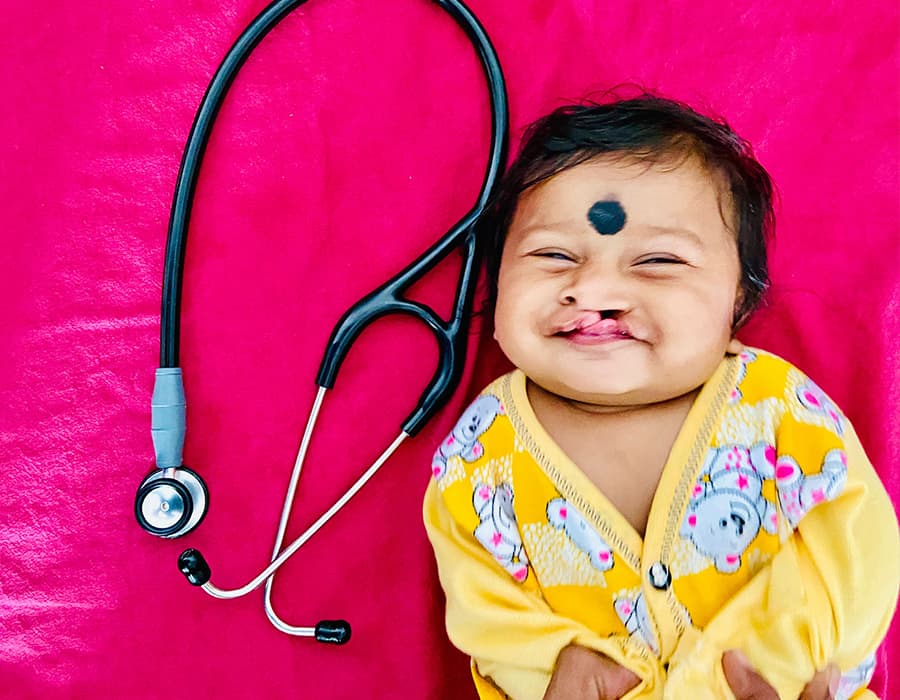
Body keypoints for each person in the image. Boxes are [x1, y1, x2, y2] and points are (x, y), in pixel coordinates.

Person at [422, 95, 899, 700]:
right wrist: (550, 667)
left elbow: (855, 550)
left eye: (657, 261)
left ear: (740, 304)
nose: (594, 288)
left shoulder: (776, 407)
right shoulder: (479, 452)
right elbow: (480, 605)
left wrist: (776, 663)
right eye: (554, 256)